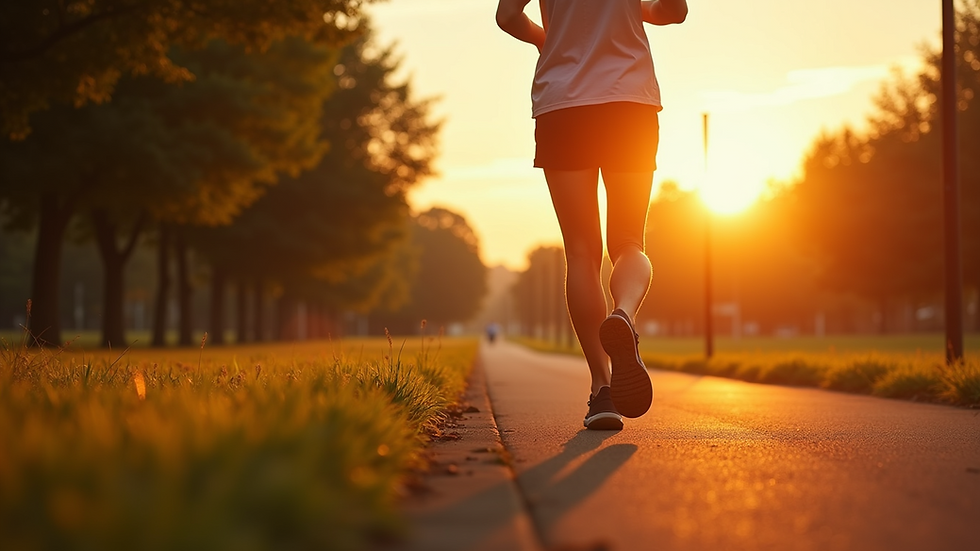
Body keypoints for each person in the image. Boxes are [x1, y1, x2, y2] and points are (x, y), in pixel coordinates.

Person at [496, 0, 688, 430]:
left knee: (581, 253)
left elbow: (507, 16)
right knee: (628, 242)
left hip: (563, 104)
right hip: (629, 101)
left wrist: (550, 40)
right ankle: (623, 313)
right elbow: (674, 10)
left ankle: (602, 389)